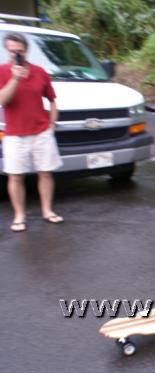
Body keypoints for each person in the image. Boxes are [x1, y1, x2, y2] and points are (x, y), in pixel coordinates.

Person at [0, 33, 63, 232]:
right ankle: (19, 216)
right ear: (7, 51)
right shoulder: (2, 71)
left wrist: (52, 123)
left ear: (26, 50)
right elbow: (2, 101)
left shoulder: (40, 72)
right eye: (12, 51)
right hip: (14, 135)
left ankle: (47, 210)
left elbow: (52, 100)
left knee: (45, 173)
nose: (16, 54)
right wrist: (15, 79)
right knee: (16, 176)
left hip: (41, 132)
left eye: (19, 50)